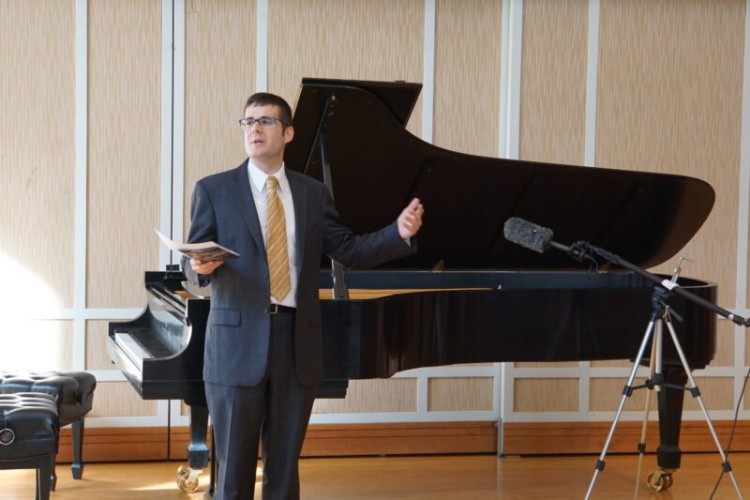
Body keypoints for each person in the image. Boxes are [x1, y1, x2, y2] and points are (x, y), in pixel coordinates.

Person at [181, 91, 424, 499]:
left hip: (297, 342)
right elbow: (193, 260)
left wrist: (396, 235)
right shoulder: (214, 189)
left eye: (265, 121)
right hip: (235, 347)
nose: (254, 129)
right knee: (233, 475)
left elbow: (347, 250)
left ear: (288, 132)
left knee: (283, 470)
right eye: (248, 122)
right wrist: (198, 267)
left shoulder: (311, 193)